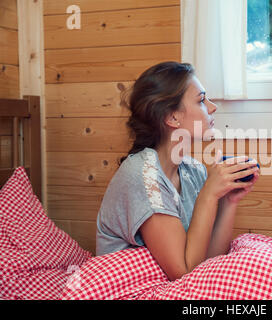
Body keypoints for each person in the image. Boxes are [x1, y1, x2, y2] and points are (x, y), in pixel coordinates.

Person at [95, 61, 260, 281]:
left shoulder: (193, 171)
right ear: (172, 117)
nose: (212, 107)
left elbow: (209, 259)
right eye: (201, 100)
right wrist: (209, 194)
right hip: (130, 287)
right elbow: (184, 273)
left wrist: (229, 200)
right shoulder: (143, 177)